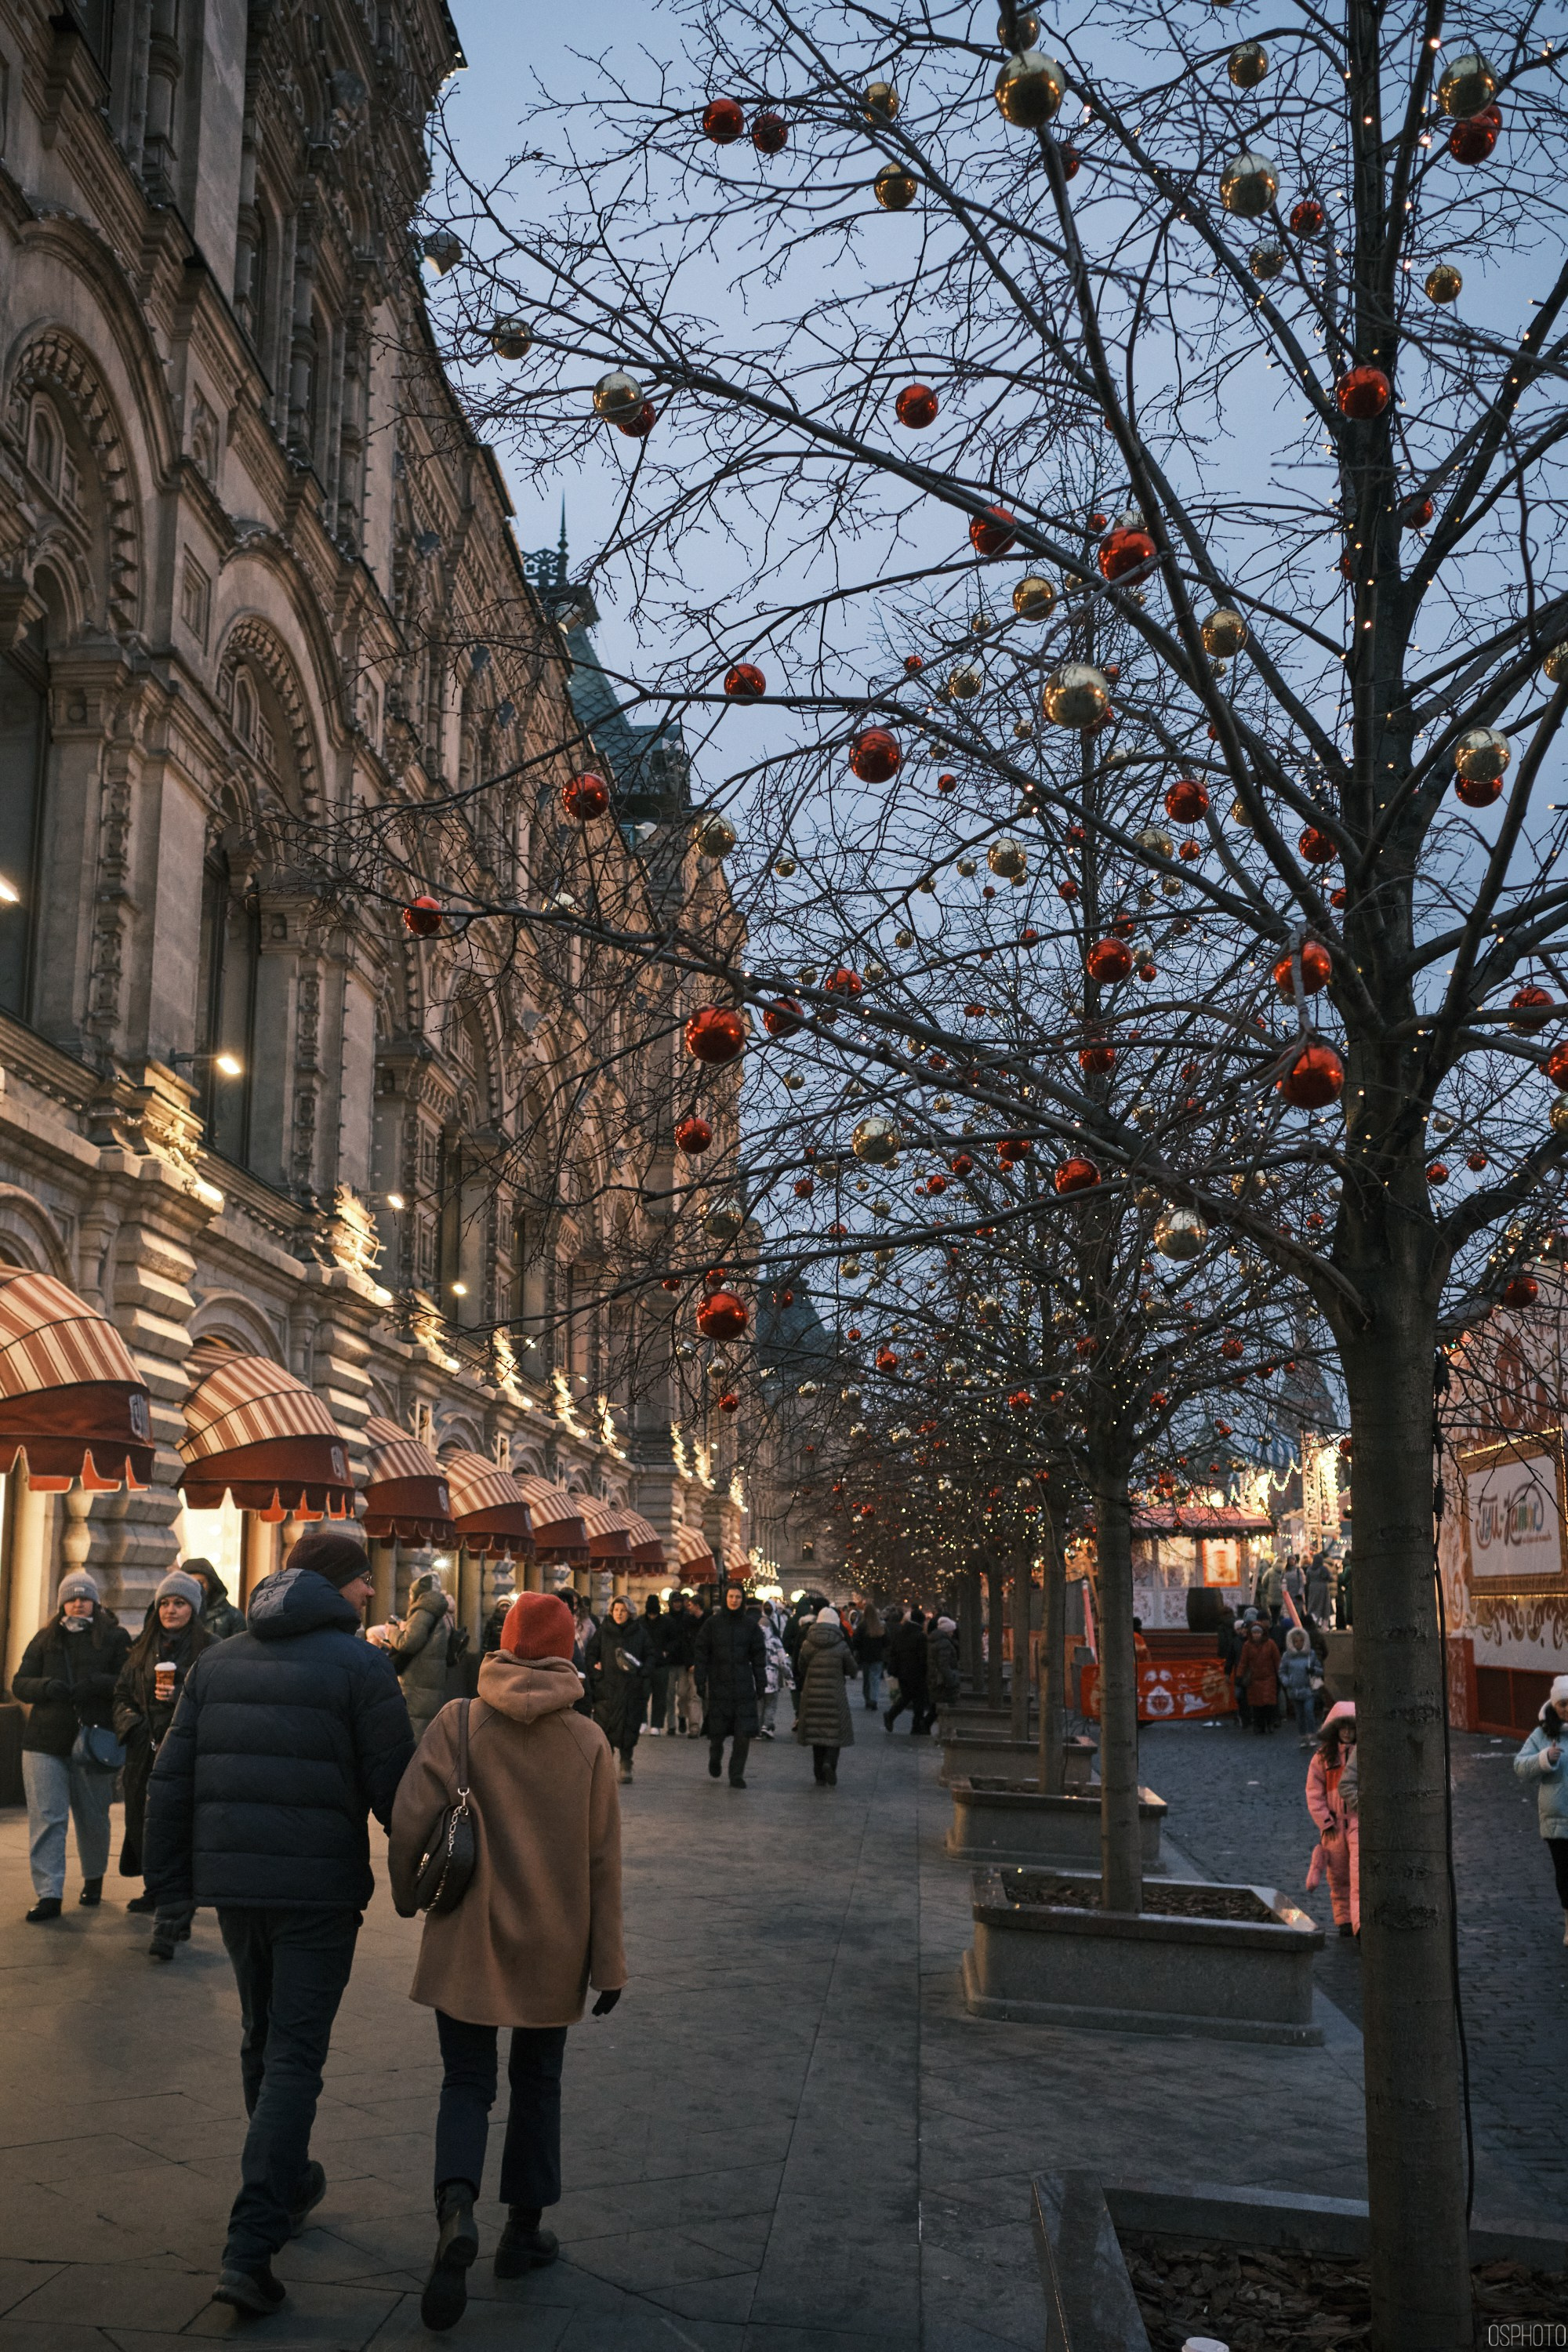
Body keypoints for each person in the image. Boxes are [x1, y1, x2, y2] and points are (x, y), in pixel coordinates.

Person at [143, 1528, 414, 2316]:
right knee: (294, 2052)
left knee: (263, 2037)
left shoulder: (216, 1662)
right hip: (318, 1894)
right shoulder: (364, 1667)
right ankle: (251, 2243)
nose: (371, 1594)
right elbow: (397, 1794)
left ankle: (287, 2183)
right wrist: (437, 1875)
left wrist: (171, 1888)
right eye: (363, 1582)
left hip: (236, 1887)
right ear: (336, 1586)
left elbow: (171, 1780)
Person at [388, 1589, 626, 2331]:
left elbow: (408, 1822)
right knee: (538, 2083)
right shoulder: (588, 1742)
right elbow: (603, 1864)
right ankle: (523, 2232)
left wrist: (405, 1895)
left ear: (503, 1641)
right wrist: (608, 1965)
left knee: (466, 2082)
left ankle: (456, 2210)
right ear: (569, 1648)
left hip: (467, 1934)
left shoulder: (459, 1721)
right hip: (555, 1942)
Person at [13, 1567, 131, 1923]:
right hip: (44, 1742)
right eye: (72, 1598)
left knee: (93, 1817)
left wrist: (98, 1683)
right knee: (47, 1819)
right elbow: (21, 1683)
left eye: (85, 1598)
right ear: (63, 1603)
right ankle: (49, 1893)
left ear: (95, 1603)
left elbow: (128, 1681)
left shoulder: (114, 1636)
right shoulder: (47, 1638)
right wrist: (46, 1687)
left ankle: (93, 1879)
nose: (79, 1603)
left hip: (93, 1742)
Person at [113, 1567, 212, 1949]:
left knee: (180, 1828)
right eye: (165, 1603)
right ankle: (156, 1889)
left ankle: (176, 1907)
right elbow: (121, 1695)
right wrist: (134, 1727)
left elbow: (216, 1700)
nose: (171, 1610)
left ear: (194, 1608)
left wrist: (181, 1695)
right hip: (144, 1752)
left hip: (186, 1754)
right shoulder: (141, 1649)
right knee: (142, 1822)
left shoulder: (209, 1650)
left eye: (180, 1602)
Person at [693, 1581, 766, 1786]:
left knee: (743, 1735)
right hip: (719, 1685)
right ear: (725, 1599)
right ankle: (715, 1757)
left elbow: (759, 1657)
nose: (734, 1600)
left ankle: (736, 1774)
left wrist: (761, 1683)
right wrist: (700, 1678)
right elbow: (701, 1652)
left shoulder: (750, 1626)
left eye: (738, 1597)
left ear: (742, 1600)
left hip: (743, 1686)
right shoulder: (713, 1624)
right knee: (717, 1734)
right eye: (731, 1597)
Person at [1513, 1675, 1568, 1943]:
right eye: (1563, 1704)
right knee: (1566, 1874)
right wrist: (1544, 1759)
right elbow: (1520, 1766)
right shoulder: (1543, 1735)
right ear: (1554, 1705)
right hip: (1558, 1818)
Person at [584, 1593, 653, 1784]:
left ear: (630, 1612)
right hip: (607, 1690)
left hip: (631, 1691)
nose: (619, 1613)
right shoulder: (603, 1632)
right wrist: (597, 1674)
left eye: (623, 1610)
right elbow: (591, 1655)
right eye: (616, 1610)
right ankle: (606, 1768)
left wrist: (642, 1674)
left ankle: (626, 1762)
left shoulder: (639, 1632)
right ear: (611, 1611)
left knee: (628, 1728)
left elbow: (650, 1655)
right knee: (604, 1729)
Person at [1305, 1700, 1360, 1937]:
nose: (1347, 1732)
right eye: (1343, 1727)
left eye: (1352, 1727)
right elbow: (1313, 1793)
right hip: (1334, 1827)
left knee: (1359, 1878)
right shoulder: (1322, 1758)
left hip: (1358, 1824)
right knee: (1338, 1878)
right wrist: (1325, 1822)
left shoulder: (1363, 1755)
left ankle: (1359, 1925)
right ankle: (1344, 1920)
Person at [394, 1573, 459, 1746]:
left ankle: (414, 1770)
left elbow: (409, 1642)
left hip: (417, 1680)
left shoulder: (424, 1610)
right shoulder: (439, 1610)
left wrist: (391, 1631)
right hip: (431, 1679)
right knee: (425, 1727)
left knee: (415, 1728)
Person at [794, 1606, 856, 1784]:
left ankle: (819, 1776)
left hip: (812, 1693)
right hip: (835, 1694)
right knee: (833, 1734)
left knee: (816, 1736)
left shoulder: (808, 1643)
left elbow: (801, 1667)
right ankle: (829, 1763)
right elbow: (852, 1669)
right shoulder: (841, 1644)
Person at [661, 1590, 702, 1736]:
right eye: (675, 1602)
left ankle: (682, 1715)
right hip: (670, 1662)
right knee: (669, 1695)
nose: (677, 1604)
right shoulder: (665, 1619)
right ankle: (671, 1725)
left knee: (683, 1693)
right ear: (671, 1603)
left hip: (683, 1663)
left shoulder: (687, 1618)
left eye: (679, 1601)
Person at [885, 1605, 931, 1733]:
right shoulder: (920, 1636)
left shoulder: (901, 1632)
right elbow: (922, 1657)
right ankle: (915, 1726)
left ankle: (892, 1715)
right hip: (916, 1672)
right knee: (918, 1700)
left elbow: (894, 1651)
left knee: (907, 1697)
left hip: (902, 1671)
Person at [1278, 1625, 1322, 1746]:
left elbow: (1320, 1670)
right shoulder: (1287, 1656)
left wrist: (1313, 1670)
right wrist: (1287, 1682)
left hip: (1309, 1690)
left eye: (1301, 1641)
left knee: (1309, 1712)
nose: (1298, 1644)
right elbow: (1282, 1671)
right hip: (1295, 1690)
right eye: (1296, 1641)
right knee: (1300, 1715)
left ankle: (1312, 1735)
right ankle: (1303, 1737)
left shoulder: (1310, 1654)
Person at [1236, 1619, 1281, 1733]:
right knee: (1257, 1706)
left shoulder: (1270, 1644)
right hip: (1255, 1679)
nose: (1256, 1635)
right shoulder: (1248, 1645)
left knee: (1268, 1704)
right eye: (1254, 1633)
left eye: (1258, 1632)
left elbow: (1277, 1661)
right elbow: (1243, 1662)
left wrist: (1280, 1673)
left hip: (1268, 1677)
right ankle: (1260, 1725)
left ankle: (1268, 1723)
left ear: (1262, 1633)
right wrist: (1239, 1675)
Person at [186, 1557, 245, 1642]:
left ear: (210, 1583)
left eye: (200, 1583)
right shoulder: (179, 1614)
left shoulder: (233, 1616)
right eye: (190, 1584)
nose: (196, 1588)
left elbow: (241, 1650)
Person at [757, 1603, 793, 1737]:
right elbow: (783, 1661)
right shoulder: (775, 1641)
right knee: (771, 1704)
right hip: (772, 1679)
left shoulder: (754, 1640)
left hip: (758, 1678)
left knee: (759, 1704)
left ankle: (758, 1727)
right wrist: (790, 1680)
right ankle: (767, 1725)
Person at [641, 1595, 669, 1734]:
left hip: (660, 1664)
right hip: (645, 1664)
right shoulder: (640, 1622)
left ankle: (656, 1724)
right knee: (643, 1694)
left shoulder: (666, 1622)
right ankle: (643, 1721)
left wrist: (667, 1652)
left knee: (660, 1696)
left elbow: (674, 1639)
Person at [851, 1604, 887, 1710]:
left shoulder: (862, 1626)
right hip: (878, 1657)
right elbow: (887, 1642)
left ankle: (868, 1699)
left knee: (866, 1680)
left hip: (865, 1657)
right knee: (875, 1679)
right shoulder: (881, 1626)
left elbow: (856, 1642)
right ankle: (874, 1699)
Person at [926, 1613, 961, 1714]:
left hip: (935, 1677)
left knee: (936, 1703)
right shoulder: (944, 1643)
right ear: (947, 1630)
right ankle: (925, 1725)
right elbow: (943, 1664)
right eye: (952, 1630)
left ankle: (925, 1725)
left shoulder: (935, 1640)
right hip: (942, 1679)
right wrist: (951, 1679)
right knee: (942, 1703)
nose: (953, 1633)